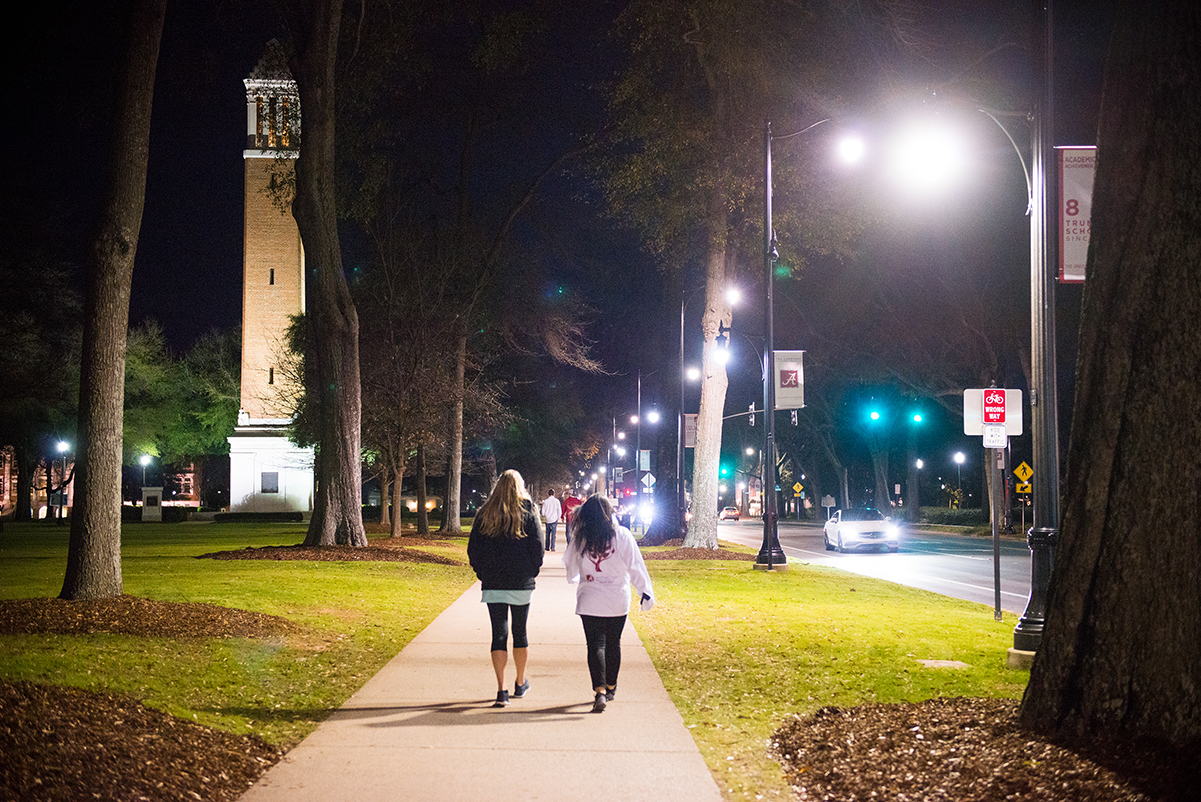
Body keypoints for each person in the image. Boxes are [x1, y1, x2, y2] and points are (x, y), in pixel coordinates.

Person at [563, 494, 654, 713]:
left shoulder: (581, 536)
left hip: (590, 598)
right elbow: (635, 565)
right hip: (617, 598)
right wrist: (645, 591)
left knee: (595, 645)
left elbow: (570, 562)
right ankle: (611, 686)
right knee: (614, 643)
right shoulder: (621, 535)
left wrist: (576, 577)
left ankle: (600, 690)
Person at [467, 469, 545, 708]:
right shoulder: (529, 511)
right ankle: (520, 683)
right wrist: (531, 571)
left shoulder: (485, 513)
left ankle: (501, 690)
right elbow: (538, 547)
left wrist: (483, 573)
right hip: (521, 581)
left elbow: (474, 549)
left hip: (494, 582)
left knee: (498, 634)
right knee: (520, 632)